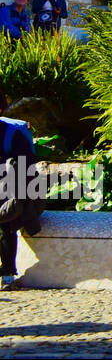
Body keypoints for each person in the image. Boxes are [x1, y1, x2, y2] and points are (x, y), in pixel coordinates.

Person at [0, 116, 43, 290]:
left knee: (5, 222)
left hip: (20, 193)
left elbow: (27, 170)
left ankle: (8, 275)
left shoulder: (13, 134)